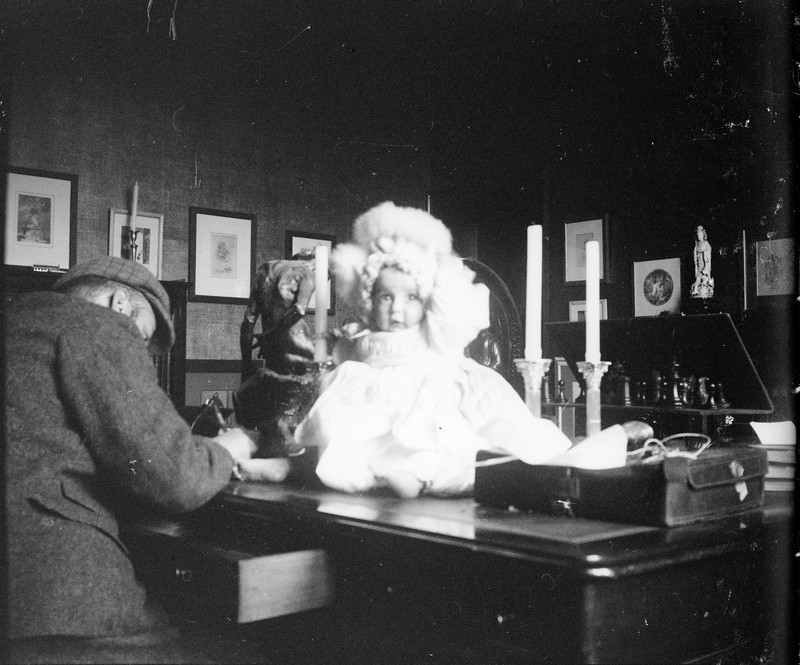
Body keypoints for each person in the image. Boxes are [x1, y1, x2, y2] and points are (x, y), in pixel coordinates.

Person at [4, 257, 261, 663]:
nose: (138, 348)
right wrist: (229, 448)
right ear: (121, 303)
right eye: (141, 337)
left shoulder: (18, 319)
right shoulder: (95, 324)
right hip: (54, 602)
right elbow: (175, 478)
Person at [294, 202, 571, 498]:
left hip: (427, 392)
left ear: (426, 303)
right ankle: (353, 472)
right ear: (369, 300)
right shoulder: (362, 335)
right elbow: (348, 355)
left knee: (439, 431)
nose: (397, 308)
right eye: (386, 297)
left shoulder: (431, 333)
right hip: (375, 399)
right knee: (341, 422)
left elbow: (448, 356)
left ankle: (418, 475)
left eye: (411, 297)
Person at [690, 224, 714, 298]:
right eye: (697, 234)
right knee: (696, 283)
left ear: (703, 234)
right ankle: (696, 290)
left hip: (704, 267)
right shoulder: (696, 244)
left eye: (700, 234)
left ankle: (705, 287)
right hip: (699, 266)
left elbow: (708, 253)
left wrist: (704, 252)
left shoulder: (706, 243)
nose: (699, 236)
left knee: (704, 284)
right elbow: (695, 254)